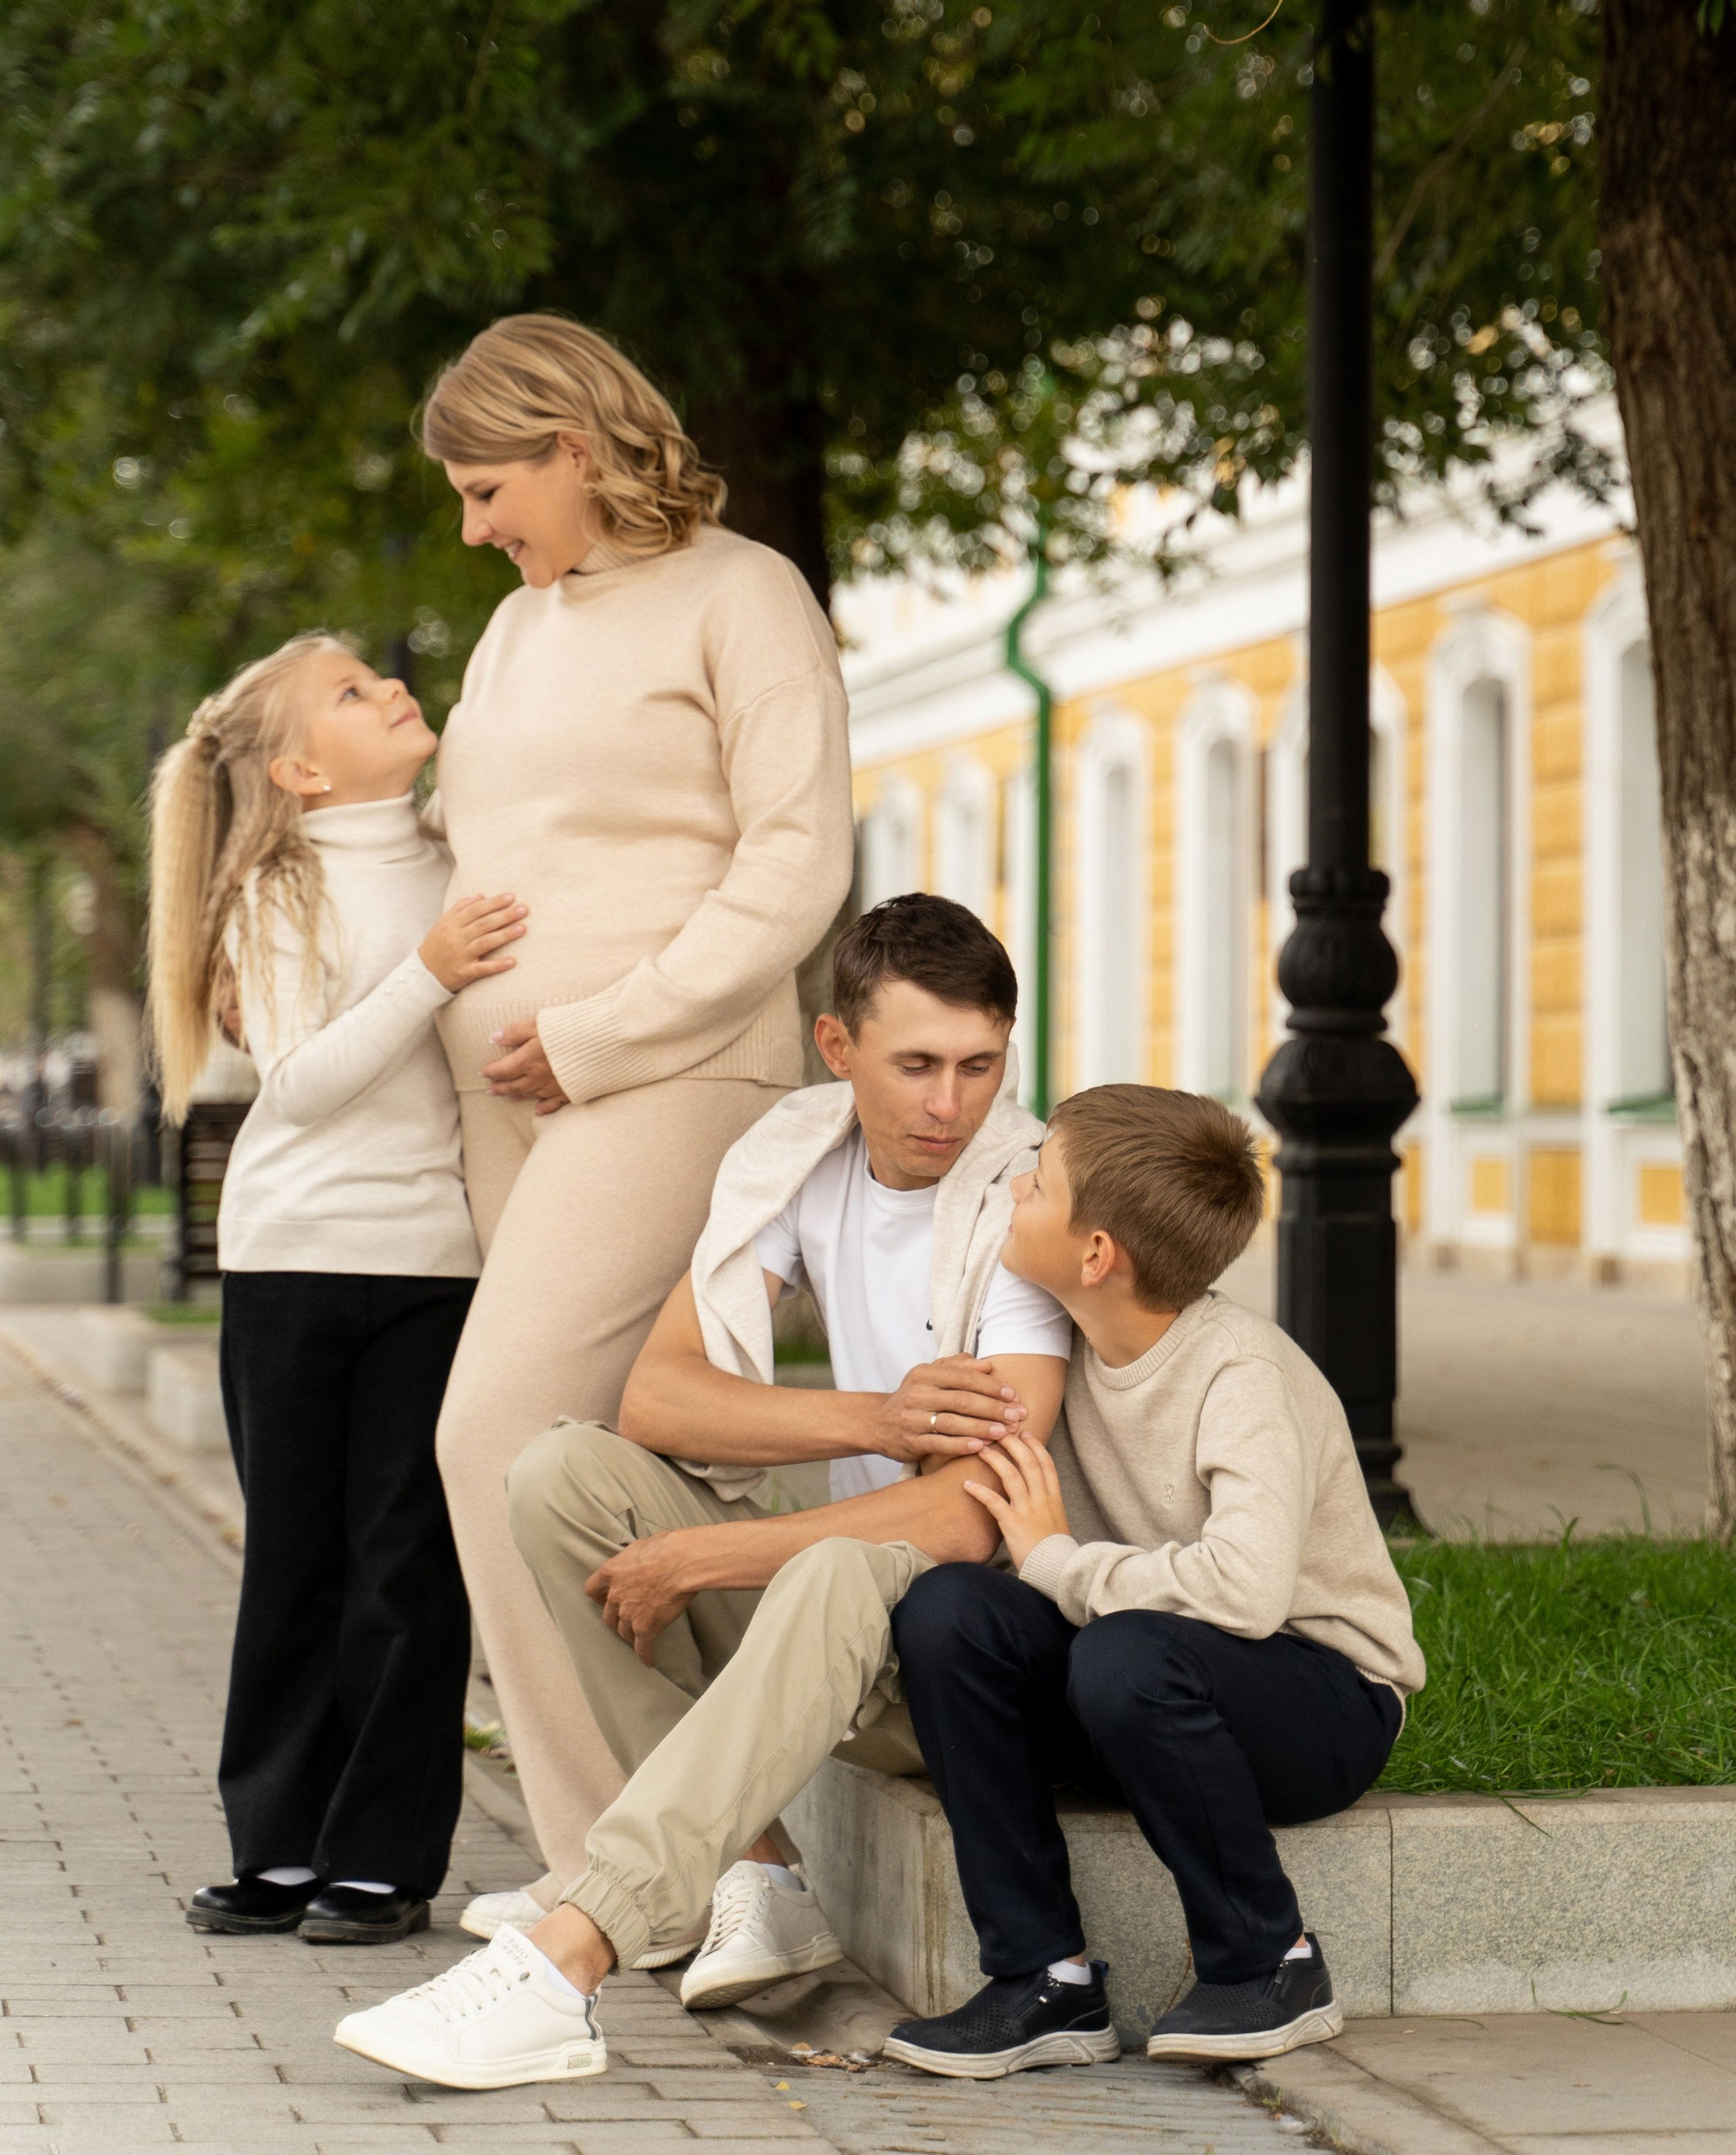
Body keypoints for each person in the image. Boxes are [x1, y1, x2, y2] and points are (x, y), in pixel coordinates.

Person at [333, 894, 1071, 2093]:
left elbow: (968, 1513)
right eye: (917, 1066)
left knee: (830, 1570)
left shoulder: (1023, 1204)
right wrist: (877, 1418)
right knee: (560, 1474)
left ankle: (563, 1966)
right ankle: (760, 1876)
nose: (951, 1105)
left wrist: (709, 1557)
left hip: (970, 1658)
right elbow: (660, 1401)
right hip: (846, 1611)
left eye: (979, 1065)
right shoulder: (801, 1157)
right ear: (837, 1048)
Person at [418, 313, 854, 1929]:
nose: (475, 531)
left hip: (668, 1074)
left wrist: (595, 1034)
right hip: (510, 1101)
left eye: (488, 491)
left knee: (487, 1434)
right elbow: (478, 843)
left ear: (574, 447)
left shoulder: (746, 595)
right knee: (597, 1474)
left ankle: (622, 1873)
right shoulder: (513, 629)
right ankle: (703, 1856)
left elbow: (796, 862)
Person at [881, 1082, 1426, 2080]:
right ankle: (1043, 1981)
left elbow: (1247, 1595)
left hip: (1316, 1702)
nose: (1013, 1187)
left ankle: (1270, 1963)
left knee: (1126, 1653)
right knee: (948, 1611)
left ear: (1097, 1254)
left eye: (1038, 1181)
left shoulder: (1239, 1374)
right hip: (1136, 1681)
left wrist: (1055, 1561)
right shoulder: (1055, 1353)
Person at [146, 633, 525, 1945]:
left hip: (433, 1264)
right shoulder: (280, 887)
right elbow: (301, 1080)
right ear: (302, 771)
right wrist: (431, 967)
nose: (390, 688)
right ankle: (277, 1848)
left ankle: (380, 1858)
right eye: (351, 694)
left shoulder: (459, 848)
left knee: (407, 1568)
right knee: (295, 1566)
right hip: (291, 1258)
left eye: (376, 673)